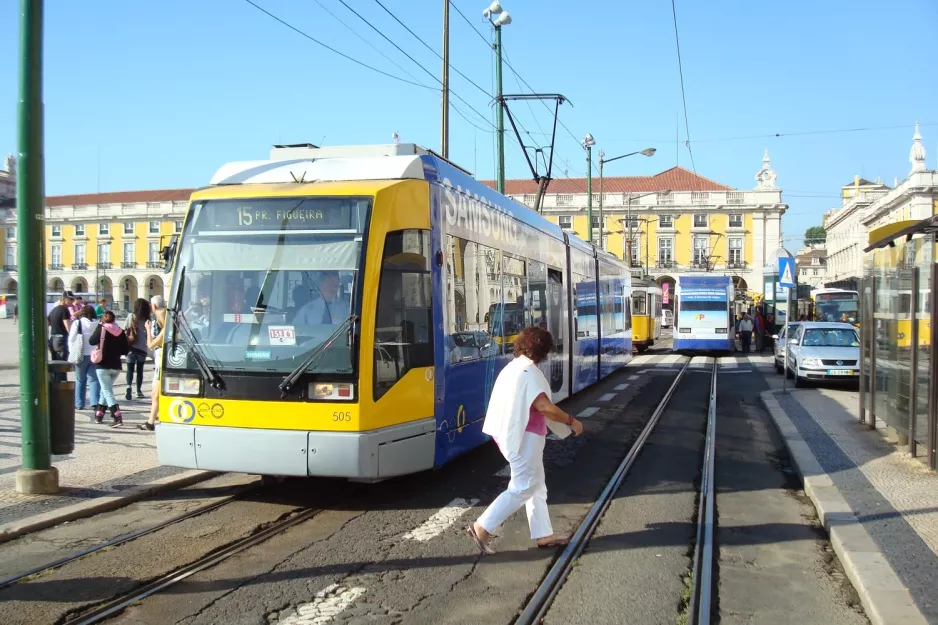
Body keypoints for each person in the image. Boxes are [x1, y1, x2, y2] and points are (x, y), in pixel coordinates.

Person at [466, 326, 584, 555]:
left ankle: (543, 534)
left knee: (536, 485)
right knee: (523, 485)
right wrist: (572, 421)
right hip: (523, 438)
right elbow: (545, 408)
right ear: (543, 351)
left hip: (512, 434)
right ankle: (482, 527)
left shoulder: (513, 367)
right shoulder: (529, 372)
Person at [89, 310, 130, 427]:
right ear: (114, 320)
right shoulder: (120, 331)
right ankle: (99, 414)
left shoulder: (101, 328)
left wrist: (99, 326)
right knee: (104, 390)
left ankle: (117, 416)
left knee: (107, 391)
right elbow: (125, 350)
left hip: (103, 365)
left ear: (103, 319)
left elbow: (91, 341)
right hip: (116, 366)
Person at [140, 295, 166, 431]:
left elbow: (150, 344)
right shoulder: (167, 328)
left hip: (161, 362)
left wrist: (149, 330)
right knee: (154, 393)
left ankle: (151, 422)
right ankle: (156, 417)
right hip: (160, 361)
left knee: (155, 393)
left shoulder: (164, 330)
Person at [68, 305, 101, 412]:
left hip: (80, 354)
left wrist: (71, 351)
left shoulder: (78, 323)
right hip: (94, 354)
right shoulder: (98, 324)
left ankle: (79, 403)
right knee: (94, 380)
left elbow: (71, 339)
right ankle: (95, 403)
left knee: (80, 380)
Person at [124, 298, 151, 401]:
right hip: (142, 348)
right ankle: (138, 391)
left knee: (130, 369)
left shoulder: (131, 316)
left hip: (131, 347)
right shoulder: (147, 319)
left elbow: (125, 328)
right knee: (140, 370)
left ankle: (128, 387)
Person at [47, 294, 73, 381]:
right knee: (62, 364)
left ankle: (55, 384)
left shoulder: (53, 310)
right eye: (71, 299)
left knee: (55, 363)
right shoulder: (65, 310)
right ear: (65, 300)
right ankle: (61, 385)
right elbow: (67, 325)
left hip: (53, 339)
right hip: (61, 339)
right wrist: (72, 336)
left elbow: (47, 323)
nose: (72, 301)